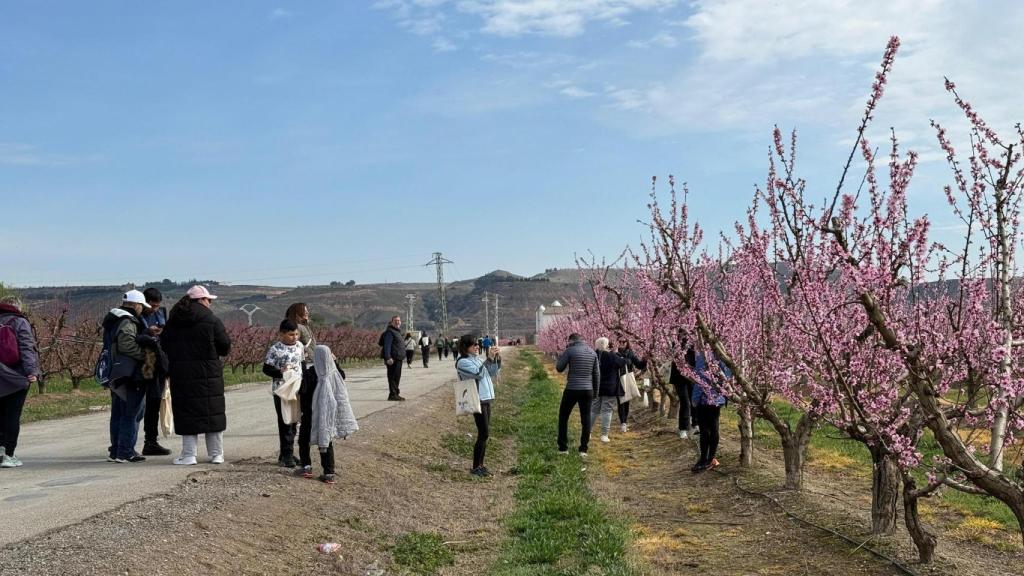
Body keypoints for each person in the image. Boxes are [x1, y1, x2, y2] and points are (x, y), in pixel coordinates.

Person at [161, 285, 232, 465]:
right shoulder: (212, 320)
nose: (210, 303)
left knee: (187, 413)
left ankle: (189, 455)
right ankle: (217, 454)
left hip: (182, 374)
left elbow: (164, 345)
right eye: (209, 300)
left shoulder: (173, 321)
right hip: (209, 373)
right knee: (212, 412)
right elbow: (225, 347)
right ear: (201, 300)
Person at [103, 290, 152, 463]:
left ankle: (116, 450)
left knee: (118, 412)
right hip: (129, 373)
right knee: (132, 412)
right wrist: (145, 355)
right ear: (136, 305)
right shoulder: (127, 321)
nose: (142, 310)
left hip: (116, 372)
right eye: (141, 306)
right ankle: (126, 451)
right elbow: (126, 345)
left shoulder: (113, 319)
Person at [309, 345, 359, 484]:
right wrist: (335, 362)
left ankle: (313, 468)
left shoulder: (314, 373)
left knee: (320, 442)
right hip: (332, 415)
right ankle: (329, 472)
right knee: (327, 442)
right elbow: (342, 376)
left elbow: (304, 389)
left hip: (318, 415)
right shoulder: (335, 372)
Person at [0, 293, 39, 468]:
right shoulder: (19, 322)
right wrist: (32, 372)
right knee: (12, 415)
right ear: (17, 307)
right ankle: (9, 454)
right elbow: (27, 348)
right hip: (16, 376)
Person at [455, 334, 501, 476]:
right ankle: (476, 467)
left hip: (486, 398)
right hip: (477, 399)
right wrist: (488, 359)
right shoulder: (462, 362)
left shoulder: (477, 359)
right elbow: (479, 374)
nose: (477, 347)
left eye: (477, 344)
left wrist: (496, 359)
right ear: (465, 347)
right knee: (483, 433)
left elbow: (491, 373)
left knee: (485, 434)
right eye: (474, 344)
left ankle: (480, 465)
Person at [262, 319, 304, 467]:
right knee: (285, 421)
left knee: (294, 421)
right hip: (282, 390)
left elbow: (302, 364)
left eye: (297, 334)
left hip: (297, 387)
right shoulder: (275, 349)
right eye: (291, 334)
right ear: (282, 334)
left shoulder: (300, 346)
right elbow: (266, 369)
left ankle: (287, 453)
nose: (295, 337)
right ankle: (286, 455)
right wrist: (280, 372)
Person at [139, 287, 172, 456]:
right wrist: (146, 332)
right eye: (152, 305)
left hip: (159, 361)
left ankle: (151, 440)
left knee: (156, 401)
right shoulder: (137, 316)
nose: (155, 309)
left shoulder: (161, 314)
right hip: (146, 362)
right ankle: (147, 441)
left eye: (157, 306)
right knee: (148, 402)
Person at [555, 333, 599, 457]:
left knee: (563, 417)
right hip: (587, 390)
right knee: (586, 419)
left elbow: (559, 368)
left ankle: (563, 448)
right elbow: (597, 374)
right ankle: (583, 449)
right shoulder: (592, 352)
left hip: (572, 388)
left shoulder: (570, 350)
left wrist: (562, 355)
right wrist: (595, 392)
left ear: (570, 341)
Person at [691, 353, 728, 473]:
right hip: (718, 398)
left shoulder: (703, 355)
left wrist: (695, 399)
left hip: (705, 399)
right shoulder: (722, 354)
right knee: (714, 428)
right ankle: (710, 458)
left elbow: (699, 380)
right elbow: (727, 376)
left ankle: (704, 459)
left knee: (705, 430)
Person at [591, 338, 627, 443]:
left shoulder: (593, 355)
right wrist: (617, 354)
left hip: (596, 386)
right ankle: (604, 435)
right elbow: (622, 362)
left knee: (593, 410)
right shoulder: (611, 356)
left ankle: (587, 432)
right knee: (607, 410)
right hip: (609, 388)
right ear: (606, 345)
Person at [616, 340, 647, 432]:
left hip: (628, 380)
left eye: (624, 342)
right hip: (617, 380)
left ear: (627, 343)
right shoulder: (614, 353)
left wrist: (645, 359)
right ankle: (623, 423)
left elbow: (639, 365)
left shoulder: (630, 353)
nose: (622, 344)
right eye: (620, 342)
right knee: (621, 401)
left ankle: (624, 422)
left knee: (627, 400)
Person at [671, 339, 699, 439]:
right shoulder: (676, 343)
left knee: (694, 400)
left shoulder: (695, 341)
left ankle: (695, 424)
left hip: (692, 376)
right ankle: (683, 428)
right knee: (685, 402)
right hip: (679, 377)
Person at [379, 316, 405, 401]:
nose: (397, 322)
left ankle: (395, 393)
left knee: (397, 377)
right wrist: (388, 357)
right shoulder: (390, 332)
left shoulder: (397, 332)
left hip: (398, 358)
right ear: (392, 322)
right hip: (392, 359)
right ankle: (393, 395)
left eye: (399, 320)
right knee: (393, 377)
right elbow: (387, 345)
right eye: (395, 321)